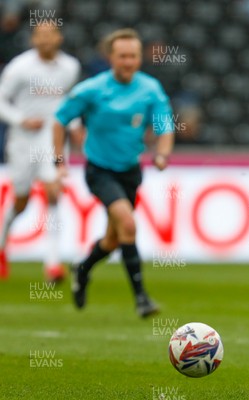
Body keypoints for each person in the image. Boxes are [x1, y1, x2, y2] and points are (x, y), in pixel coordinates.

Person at [53, 28, 174, 318]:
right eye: (122, 56)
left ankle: (82, 270)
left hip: (130, 172)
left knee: (113, 239)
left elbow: (165, 127)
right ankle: (142, 299)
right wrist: (59, 161)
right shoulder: (92, 89)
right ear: (111, 58)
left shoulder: (150, 89)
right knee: (128, 226)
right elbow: (59, 120)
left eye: (133, 56)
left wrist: (162, 154)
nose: (128, 61)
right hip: (99, 170)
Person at [0, 22, 80, 281]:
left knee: (53, 192)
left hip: (52, 136)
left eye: (50, 35)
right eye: (40, 35)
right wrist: (21, 119)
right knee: (21, 200)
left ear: (59, 38)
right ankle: (2, 246)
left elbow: (69, 102)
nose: (45, 40)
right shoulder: (20, 67)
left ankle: (53, 264)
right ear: (33, 39)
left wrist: (76, 125)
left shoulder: (70, 67)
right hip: (23, 139)